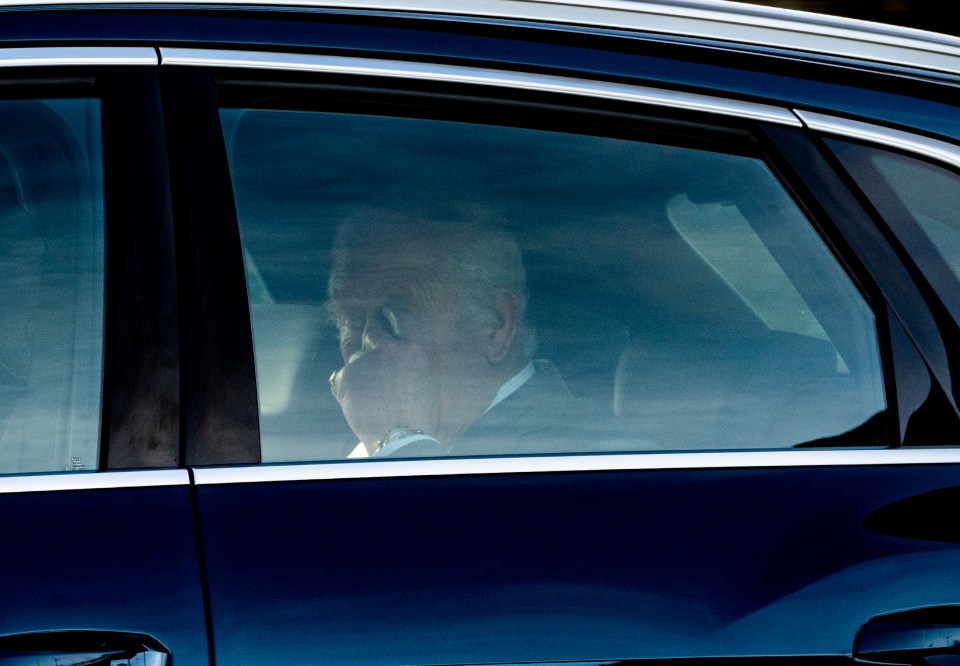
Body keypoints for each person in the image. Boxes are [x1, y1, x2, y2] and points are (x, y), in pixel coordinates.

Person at [327, 208, 573, 458]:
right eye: (352, 319)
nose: (368, 342)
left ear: (496, 327)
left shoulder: (558, 450)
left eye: (393, 319)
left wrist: (397, 437)